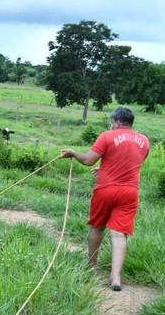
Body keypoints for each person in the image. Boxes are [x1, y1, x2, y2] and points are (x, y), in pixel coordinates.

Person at [60, 106, 149, 291]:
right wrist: (106, 169)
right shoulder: (144, 140)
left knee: (97, 227)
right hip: (130, 192)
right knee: (119, 233)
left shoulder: (107, 136)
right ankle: (115, 278)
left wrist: (73, 153)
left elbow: (88, 160)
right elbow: (131, 163)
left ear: (116, 121)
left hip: (106, 190)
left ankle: (91, 268)